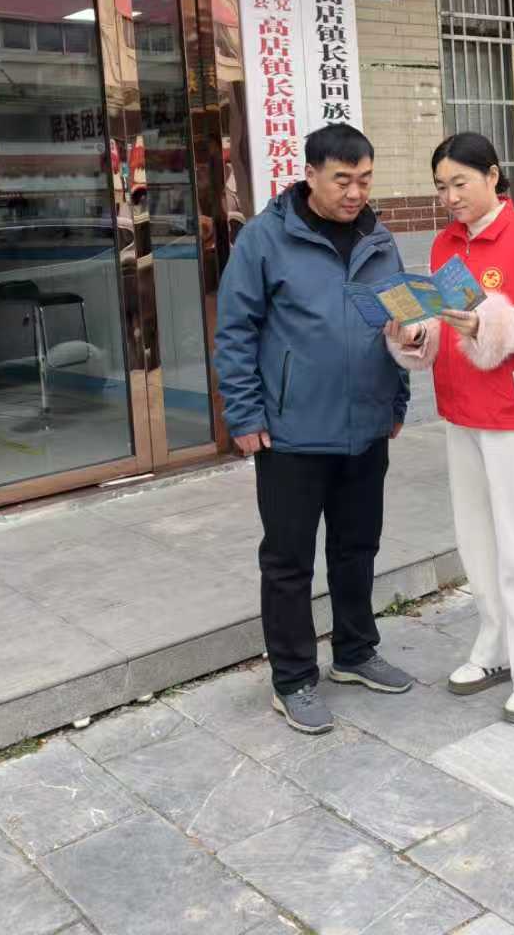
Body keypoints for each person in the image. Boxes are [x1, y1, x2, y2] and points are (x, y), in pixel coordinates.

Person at [213, 123, 415, 735]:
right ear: (310, 175)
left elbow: (403, 322)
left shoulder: (378, 238)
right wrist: (245, 413)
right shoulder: (264, 239)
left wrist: (398, 397)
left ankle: (354, 652)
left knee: (357, 549)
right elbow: (235, 331)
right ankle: (293, 678)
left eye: (365, 180)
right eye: (342, 180)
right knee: (288, 561)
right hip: (291, 432)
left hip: (366, 426)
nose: (355, 193)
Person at [387, 132, 514, 723]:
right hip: (462, 410)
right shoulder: (445, 244)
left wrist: (488, 324)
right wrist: (415, 333)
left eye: (460, 183)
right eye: (441, 187)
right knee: (478, 540)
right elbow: (443, 322)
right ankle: (497, 647)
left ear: (493, 176)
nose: (450, 197)